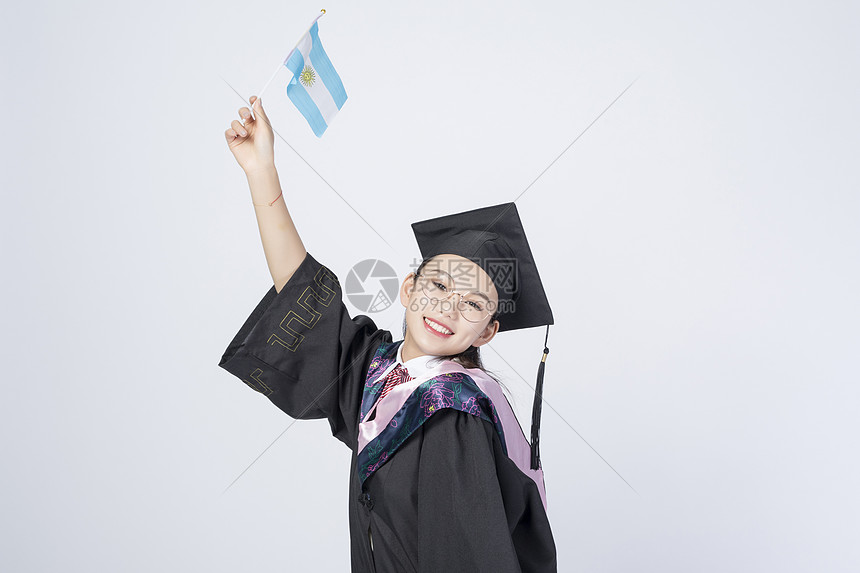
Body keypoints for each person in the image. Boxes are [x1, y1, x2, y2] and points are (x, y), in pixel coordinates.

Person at [219, 95, 558, 572]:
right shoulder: (380, 369)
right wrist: (261, 173)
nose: (448, 307)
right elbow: (303, 293)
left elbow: (469, 557)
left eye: (474, 304)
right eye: (438, 285)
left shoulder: (455, 414)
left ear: (487, 333)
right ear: (408, 288)